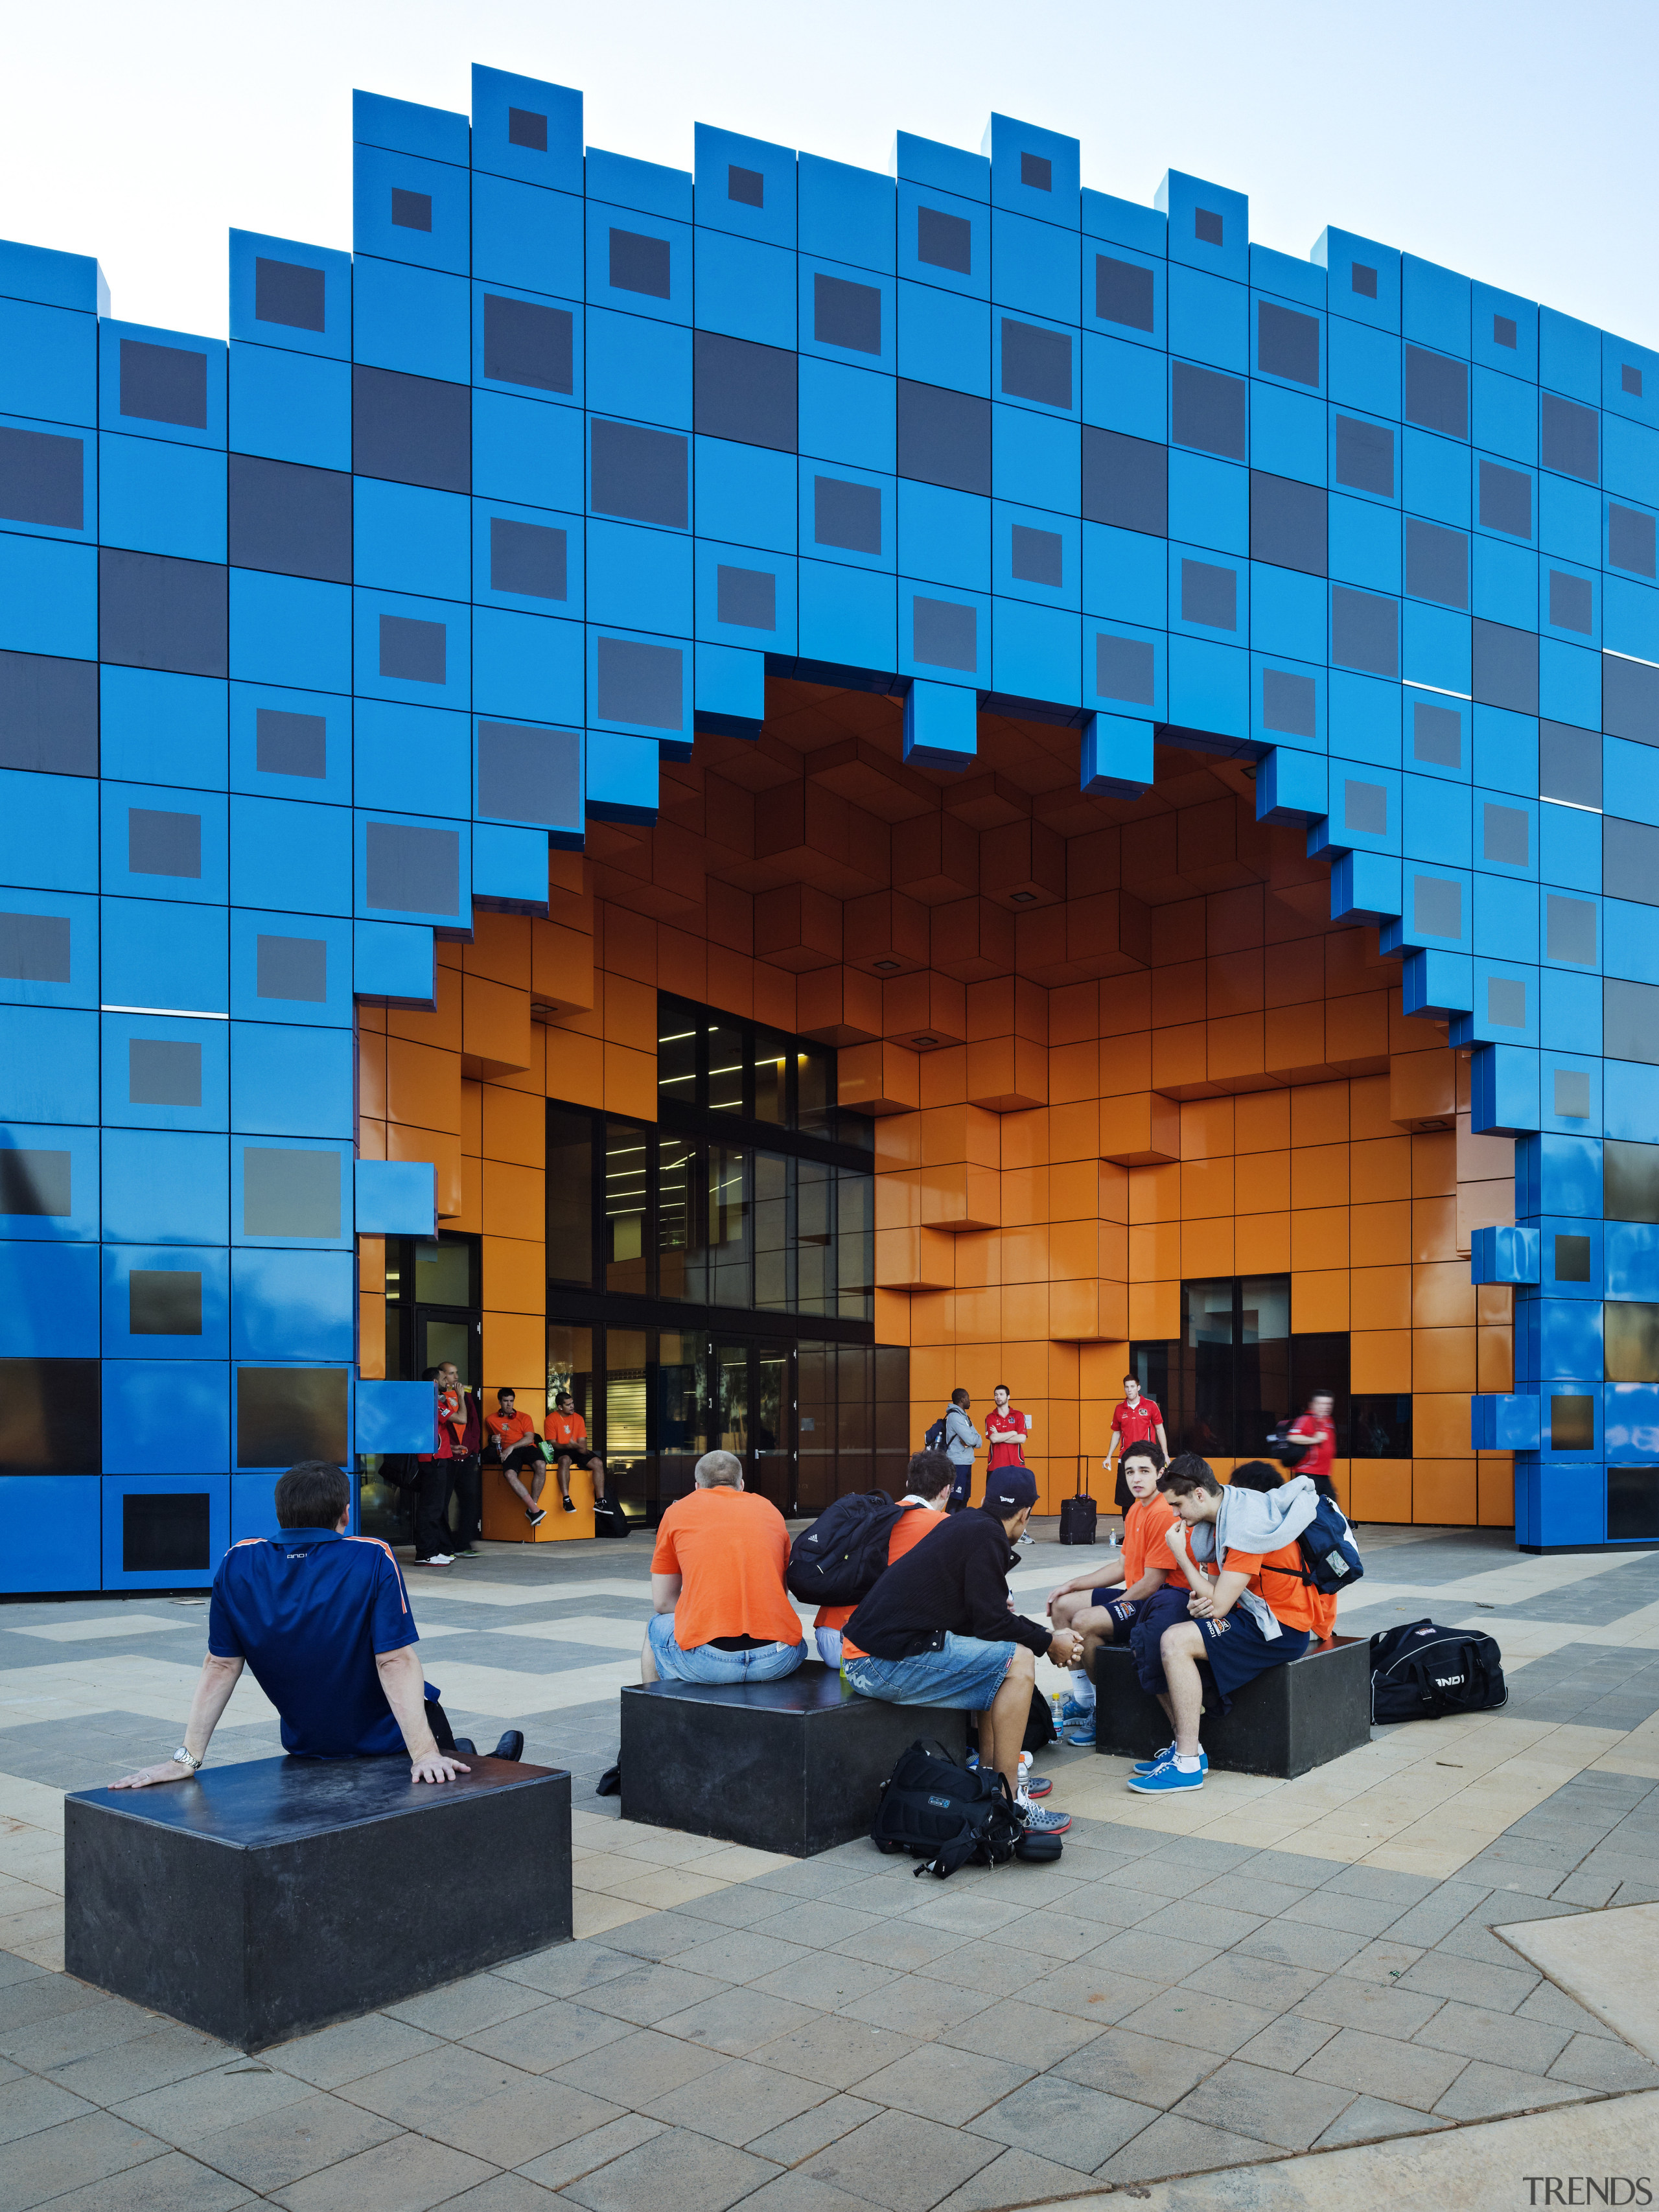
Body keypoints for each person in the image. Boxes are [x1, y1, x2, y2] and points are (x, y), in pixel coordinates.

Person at [108, 1460, 524, 1789]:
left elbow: (220, 1665)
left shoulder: (238, 1560)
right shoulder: (371, 1554)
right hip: (389, 1740)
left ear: (281, 1513)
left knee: (448, 1745)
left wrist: (186, 1759)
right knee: (433, 1720)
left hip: (308, 1741)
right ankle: (474, 1762)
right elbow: (394, 1661)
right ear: (345, 1514)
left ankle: (467, 1754)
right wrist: (423, 1754)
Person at [839, 1464, 1076, 1834]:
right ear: (1025, 1514)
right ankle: (1012, 1798)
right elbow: (992, 1623)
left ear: (984, 1499)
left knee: (1002, 1654)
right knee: (1021, 1659)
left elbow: (983, 1621)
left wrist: (1029, 1631)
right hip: (878, 1664)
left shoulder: (966, 1523)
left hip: (869, 1655)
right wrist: (1049, 1641)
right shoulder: (987, 1537)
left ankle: (989, 1781)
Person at [1126, 1454, 1323, 1796]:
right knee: (1156, 1634)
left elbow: (1218, 1605)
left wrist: (1182, 1557)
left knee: (1175, 1641)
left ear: (1199, 1494)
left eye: (1177, 1505)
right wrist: (1199, 1599)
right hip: (1251, 1613)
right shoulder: (1223, 1515)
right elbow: (1215, 1595)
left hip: (1280, 1627)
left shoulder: (1246, 1523)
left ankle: (1187, 1764)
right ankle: (1190, 1751)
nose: (1174, 1515)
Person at [1045, 1442, 1203, 1745]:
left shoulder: (1162, 1511)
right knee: (1062, 1606)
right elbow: (1123, 1565)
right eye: (1130, 1471)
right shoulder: (1135, 1509)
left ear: (1161, 1473)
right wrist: (1074, 1584)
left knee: (1085, 1622)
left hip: (1160, 1601)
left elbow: (1153, 1581)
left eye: (1144, 1471)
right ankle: (1083, 1700)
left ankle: (1104, 1710)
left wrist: (1112, 1606)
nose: (1136, 1479)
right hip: (1139, 1593)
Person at [642, 1449, 806, 1683]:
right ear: (741, 1484)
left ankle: (657, 1714)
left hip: (708, 1661)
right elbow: (780, 1590)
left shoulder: (677, 1512)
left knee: (656, 1627)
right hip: (777, 1657)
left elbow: (663, 1602)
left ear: (697, 1487)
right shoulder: (770, 1510)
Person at [813, 1449, 952, 1670]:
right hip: (866, 1643)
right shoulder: (945, 1525)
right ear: (946, 1491)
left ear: (908, 1484)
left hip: (828, 1635)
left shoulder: (877, 1514)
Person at [413, 1362, 482, 1566]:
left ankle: (433, 1550)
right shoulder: (432, 1401)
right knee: (431, 1508)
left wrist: (449, 1449)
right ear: (435, 1381)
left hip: (439, 1457)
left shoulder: (433, 1400)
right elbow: (462, 1419)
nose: (449, 1381)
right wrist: (461, 1397)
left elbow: (435, 1434)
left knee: (434, 1508)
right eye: (445, 1378)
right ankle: (426, 1553)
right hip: (432, 1461)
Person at [485, 1388, 550, 1528]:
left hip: (526, 1448)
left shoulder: (524, 1417)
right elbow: (491, 1438)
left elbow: (529, 1438)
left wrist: (511, 1447)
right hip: (509, 1453)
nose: (509, 1404)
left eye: (511, 1401)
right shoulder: (490, 1419)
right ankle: (535, 1510)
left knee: (541, 1465)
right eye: (505, 1401)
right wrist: (492, 1439)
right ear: (500, 1402)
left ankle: (534, 1507)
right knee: (509, 1474)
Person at [1104, 1375, 1168, 1515]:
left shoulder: (1150, 1405)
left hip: (1148, 1458)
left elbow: (1159, 1429)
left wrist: (1165, 1454)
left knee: (1154, 1494)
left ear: (1138, 1388)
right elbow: (1116, 1433)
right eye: (1127, 1387)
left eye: (1132, 1387)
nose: (1129, 1390)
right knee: (1126, 1499)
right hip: (1125, 1459)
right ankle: (1128, 1535)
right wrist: (1109, 1456)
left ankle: (1150, 1530)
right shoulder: (1120, 1408)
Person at [546, 1390, 609, 1515]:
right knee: (564, 1460)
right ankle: (566, 1499)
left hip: (576, 1449)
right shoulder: (550, 1419)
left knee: (597, 1462)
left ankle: (600, 1501)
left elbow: (582, 1443)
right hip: (561, 1450)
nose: (572, 1406)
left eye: (572, 1403)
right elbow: (552, 1443)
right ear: (560, 1407)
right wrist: (567, 1445)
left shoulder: (579, 1418)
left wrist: (579, 1447)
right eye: (568, 1404)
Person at [1285, 1391, 1337, 1490]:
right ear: (1313, 1404)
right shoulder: (1306, 1419)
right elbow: (1292, 1437)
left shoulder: (1329, 1420)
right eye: (1321, 1404)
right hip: (1308, 1473)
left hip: (1324, 1475)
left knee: (1330, 1503)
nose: (1326, 1407)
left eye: (1329, 1404)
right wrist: (1315, 1439)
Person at [941, 1388, 981, 1513]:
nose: (970, 1401)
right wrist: (972, 1440)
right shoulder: (954, 1416)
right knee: (956, 1498)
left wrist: (972, 1440)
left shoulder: (965, 1417)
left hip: (966, 1462)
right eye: (968, 1398)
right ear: (963, 1399)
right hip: (957, 1463)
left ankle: (958, 1527)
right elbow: (971, 1439)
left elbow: (979, 1441)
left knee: (964, 1497)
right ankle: (948, 1526)